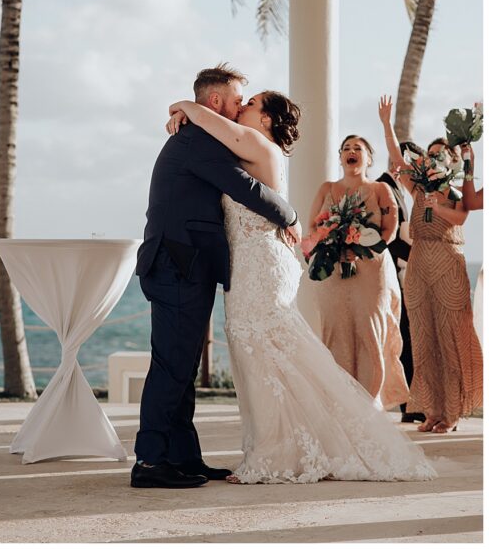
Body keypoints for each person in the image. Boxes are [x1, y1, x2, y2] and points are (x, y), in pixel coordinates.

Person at [162, 84, 434, 485]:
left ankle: (277, 455)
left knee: (264, 354)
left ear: (267, 119)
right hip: (249, 265)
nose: (243, 108)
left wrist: (184, 104)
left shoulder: (256, 143)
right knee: (261, 354)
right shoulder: (246, 147)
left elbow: (211, 119)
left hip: (260, 267)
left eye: (250, 104)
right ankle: (274, 448)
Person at [132, 65, 301, 490]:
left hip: (187, 265)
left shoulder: (202, 135)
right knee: (171, 367)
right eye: (238, 98)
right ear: (215, 102)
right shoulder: (197, 140)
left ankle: (184, 458)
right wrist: (291, 215)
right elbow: (247, 189)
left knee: (182, 367)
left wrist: (182, 107)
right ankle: (150, 463)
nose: (242, 105)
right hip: (176, 264)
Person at [379, 96, 483, 433]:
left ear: (451, 160)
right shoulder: (417, 188)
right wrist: (386, 124)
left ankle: (451, 414)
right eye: (431, 152)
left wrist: (438, 208)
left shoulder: (455, 191)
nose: (434, 156)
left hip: (448, 263)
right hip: (420, 264)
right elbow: (397, 158)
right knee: (423, 337)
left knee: (449, 336)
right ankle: (432, 411)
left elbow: (462, 217)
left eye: (441, 152)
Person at [298, 136, 409, 408]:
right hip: (334, 273)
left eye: (357, 149)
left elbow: (389, 230)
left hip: (371, 272)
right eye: (346, 149)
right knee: (335, 330)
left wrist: (363, 249)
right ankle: (339, 401)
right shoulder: (327, 188)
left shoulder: (380, 188)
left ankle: (370, 402)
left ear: (368, 158)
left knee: (370, 330)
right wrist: (333, 246)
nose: (351, 152)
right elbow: (313, 228)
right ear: (340, 157)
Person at [377, 148, 424, 424]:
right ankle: (408, 405)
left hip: (403, 275)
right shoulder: (384, 186)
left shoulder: (400, 190)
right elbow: (391, 238)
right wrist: (419, 256)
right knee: (401, 338)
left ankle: (410, 403)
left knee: (405, 337)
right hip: (393, 273)